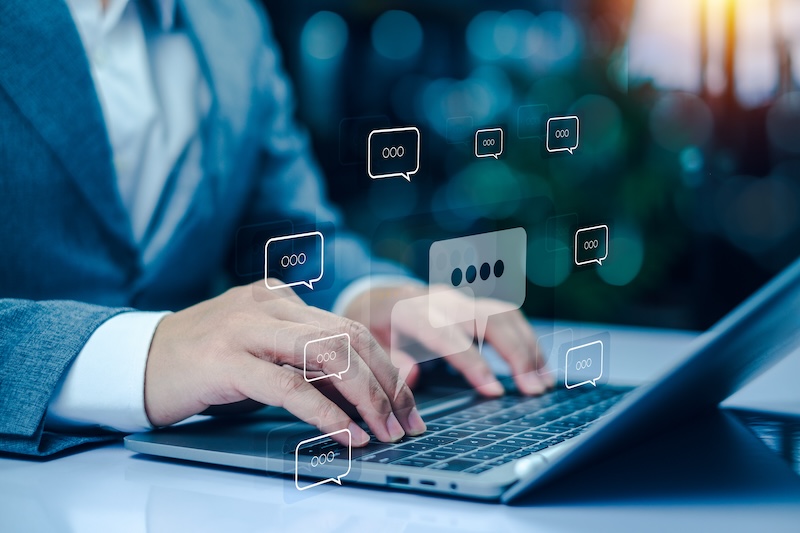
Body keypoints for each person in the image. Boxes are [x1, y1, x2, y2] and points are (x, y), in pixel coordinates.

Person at [0, 0, 551, 457]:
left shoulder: (231, 19)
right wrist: (140, 355)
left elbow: (284, 235)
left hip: (195, 477)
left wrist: (363, 295)